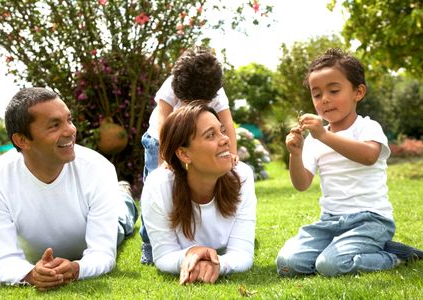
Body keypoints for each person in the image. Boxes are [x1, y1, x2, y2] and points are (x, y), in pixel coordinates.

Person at [276, 48, 423, 277]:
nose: (324, 99)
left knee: (330, 266)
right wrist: (295, 154)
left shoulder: (367, 127)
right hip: (330, 222)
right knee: (287, 263)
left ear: (358, 92)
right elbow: (302, 183)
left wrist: (324, 136)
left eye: (334, 90)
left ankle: (393, 256)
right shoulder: (314, 140)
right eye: (316, 94)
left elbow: (368, 156)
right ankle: (346, 250)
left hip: (371, 220)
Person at [0, 87, 138, 290]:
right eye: (54, 125)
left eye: (69, 120)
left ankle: (122, 194)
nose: (70, 130)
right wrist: (30, 274)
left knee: (122, 220)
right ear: (21, 140)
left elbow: (102, 253)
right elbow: (2, 259)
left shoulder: (98, 169)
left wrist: (77, 268)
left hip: (95, 225)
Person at [140, 45, 239, 264]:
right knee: (155, 191)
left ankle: (195, 237)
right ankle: (149, 243)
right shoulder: (172, 84)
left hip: (194, 143)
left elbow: (227, 123)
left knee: (188, 187)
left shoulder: (217, 92)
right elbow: (163, 120)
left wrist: (230, 153)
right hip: (160, 139)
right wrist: (165, 158)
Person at [141, 103, 256, 284]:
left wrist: (216, 264)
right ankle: (124, 195)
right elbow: (163, 256)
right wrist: (190, 254)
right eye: (210, 135)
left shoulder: (242, 176)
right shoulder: (158, 186)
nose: (225, 139)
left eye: (222, 131)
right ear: (184, 154)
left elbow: (242, 253)